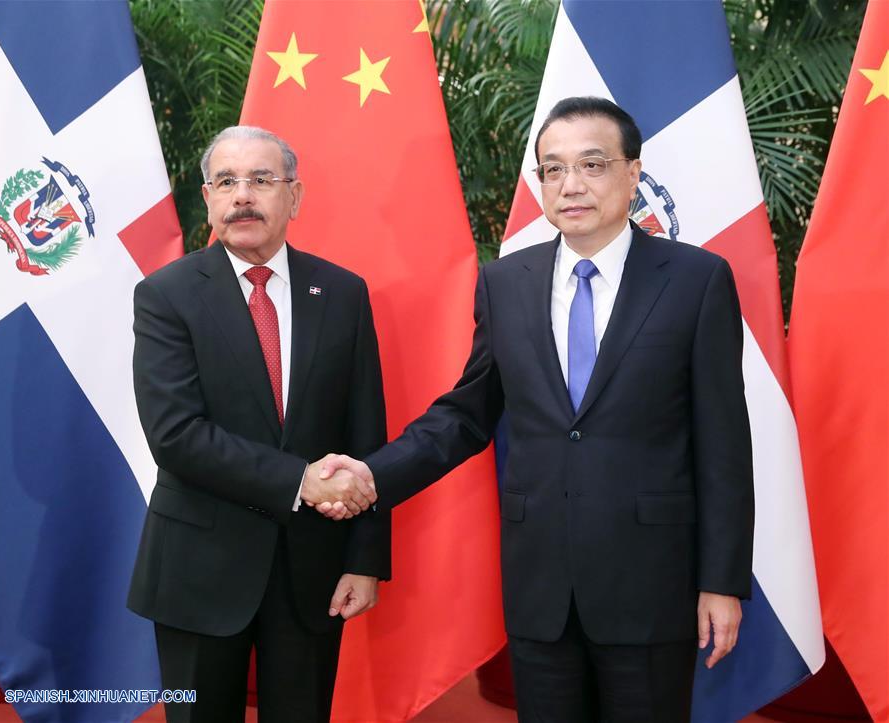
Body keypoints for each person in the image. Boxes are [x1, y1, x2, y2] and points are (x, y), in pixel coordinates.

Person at [320, 97, 754, 721]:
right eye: (553, 169)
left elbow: (724, 444)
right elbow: (465, 414)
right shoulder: (506, 282)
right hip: (541, 588)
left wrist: (722, 581)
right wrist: (371, 475)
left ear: (633, 173)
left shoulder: (696, 279)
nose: (571, 185)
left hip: (653, 585)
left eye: (592, 164)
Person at [127, 126, 390, 723]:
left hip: (312, 569)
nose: (242, 195)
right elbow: (176, 435)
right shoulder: (166, 295)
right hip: (198, 567)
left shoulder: (343, 293)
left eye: (261, 180)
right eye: (226, 182)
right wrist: (300, 480)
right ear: (208, 199)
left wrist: (365, 557)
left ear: (294, 196)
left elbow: (365, 434)